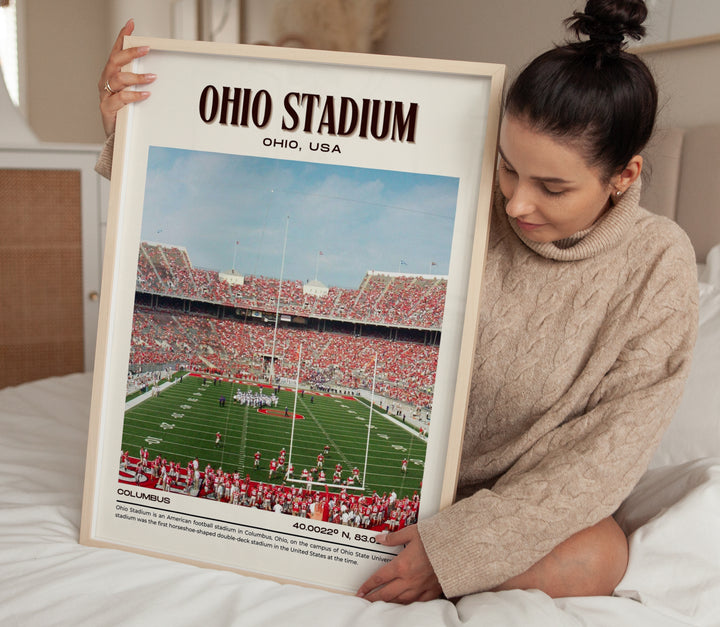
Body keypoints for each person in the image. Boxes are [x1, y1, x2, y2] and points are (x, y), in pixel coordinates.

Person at [96, 0, 697, 604]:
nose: (515, 204)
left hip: (514, 505)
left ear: (624, 175)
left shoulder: (657, 264)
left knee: (600, 555)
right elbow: (298, 162)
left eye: (553, 187)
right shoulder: (470, 194)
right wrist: (139, 128)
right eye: (509, 169)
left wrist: (460, 550)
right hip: (410, 485)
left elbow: (603, 461)